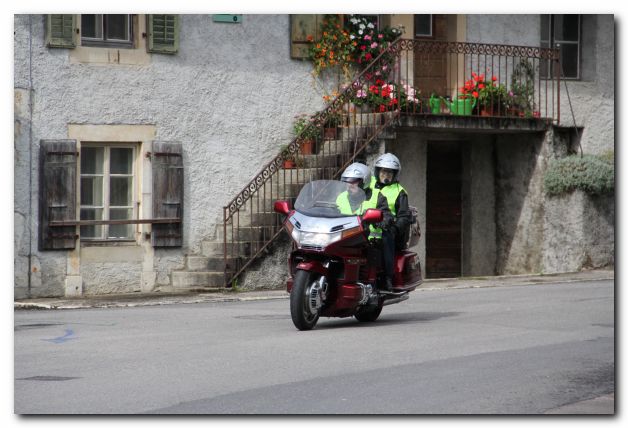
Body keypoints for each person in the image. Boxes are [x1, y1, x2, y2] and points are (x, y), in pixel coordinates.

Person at [371, 153, 411, 291]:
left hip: (390, 229)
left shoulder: (400, 192)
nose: (386, 175)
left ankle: (388, 277)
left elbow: (404, 216)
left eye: (389, 172)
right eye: (383, 171)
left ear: (395, 174)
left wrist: (394, 229)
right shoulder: (369, 186)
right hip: (368, 227)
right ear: (377, 172)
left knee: (386, 238)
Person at [336, 162, 391, 238]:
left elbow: (387, 218)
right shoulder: (341, 197)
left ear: (365, 181)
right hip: (344, 240)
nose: (349, 185)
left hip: (371, 243)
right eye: (347, 182)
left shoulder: (377, 196)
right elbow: (332, 215)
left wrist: (373, 221)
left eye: (354, 181)